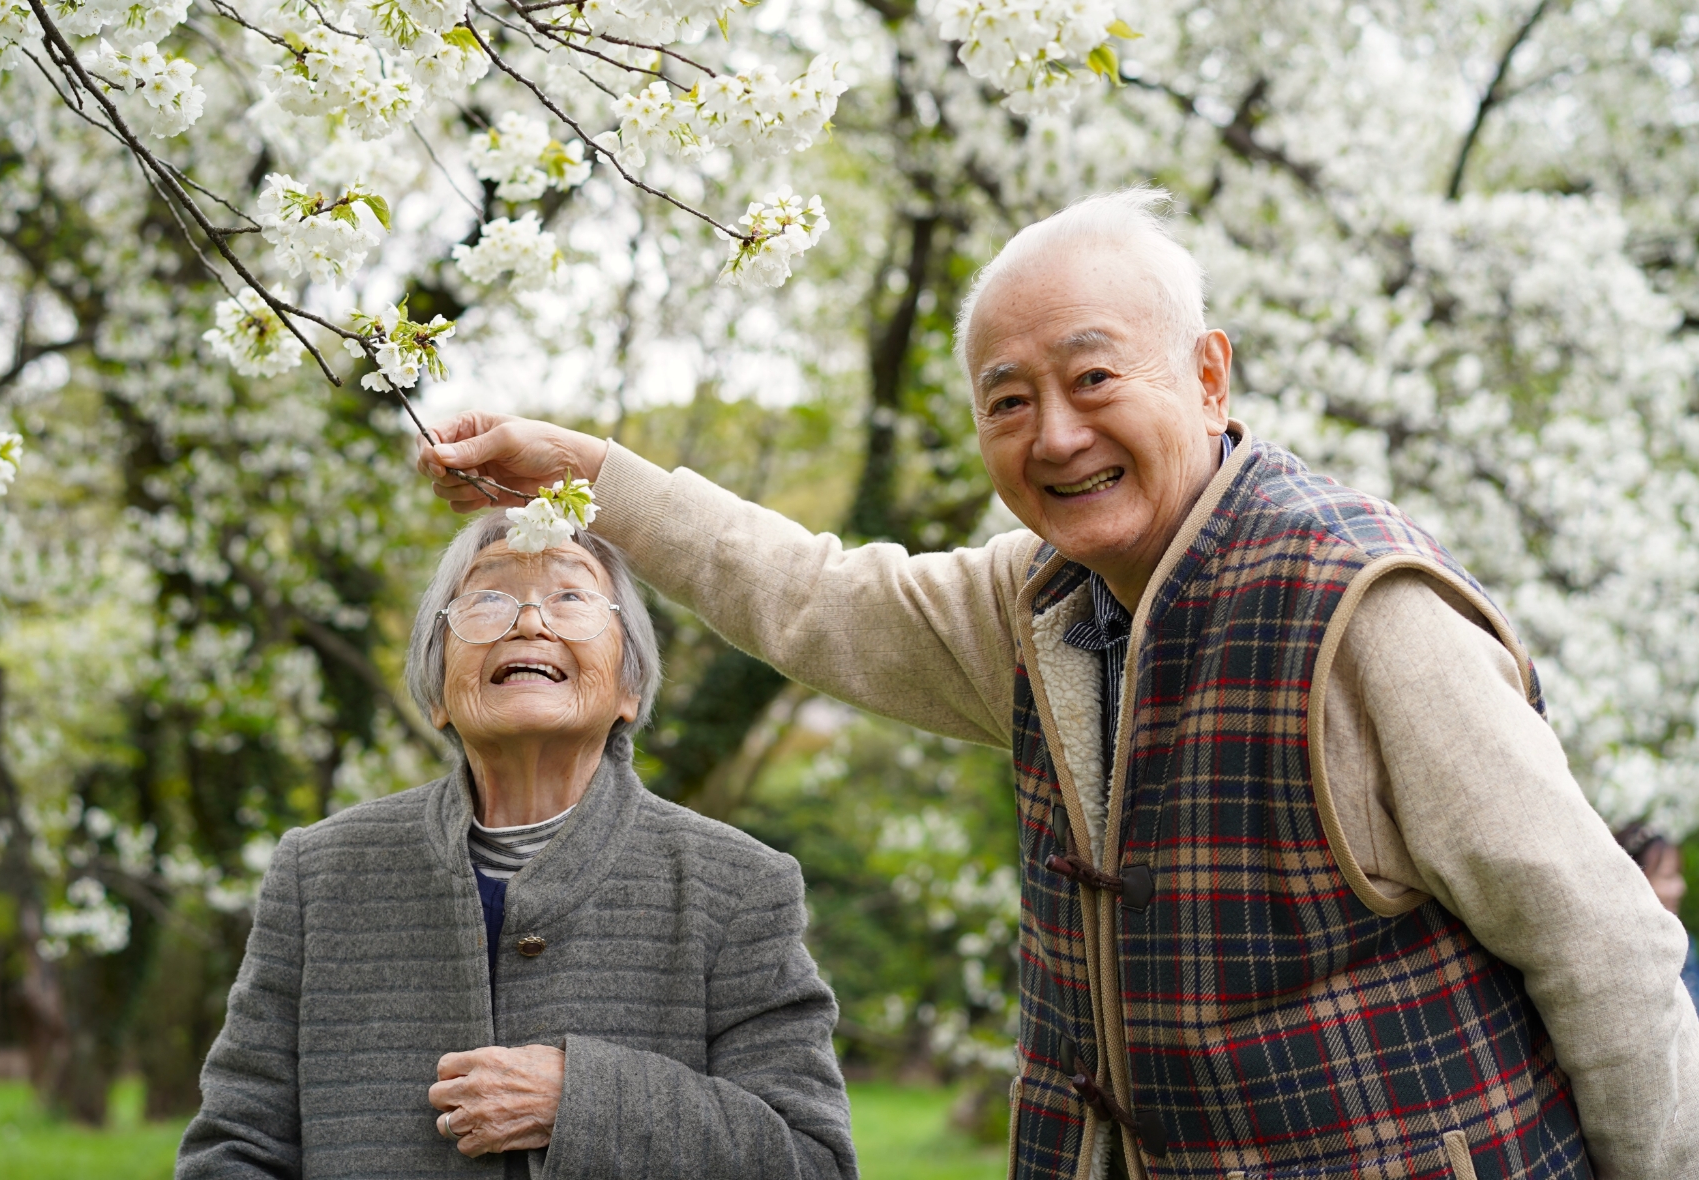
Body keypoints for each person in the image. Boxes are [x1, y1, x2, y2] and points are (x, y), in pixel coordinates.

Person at [417, 187, 1699, 1180]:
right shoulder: (1029, 604)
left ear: (1205, 374)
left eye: (1092, 377)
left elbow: (1603, 948)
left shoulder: (1365, 610)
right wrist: (590, 471)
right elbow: (806, 592)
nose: (1056, 435)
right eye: (1008, 400)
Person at [175, 516, 857, 1180]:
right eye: (488, 599)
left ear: (629, 686)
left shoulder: (738, 887)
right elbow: (235, 1146)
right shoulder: (318, 875)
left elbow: (813, 1159)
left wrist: (580, 1102)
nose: (529, 622)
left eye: (571, 597)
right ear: (439, 690)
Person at [1614, 821, 1699, 1011]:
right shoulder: (1621, 956)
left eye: (1678, 873)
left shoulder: (1686, 943)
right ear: (1635, 879)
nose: (1680, 887)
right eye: (1668, 876)